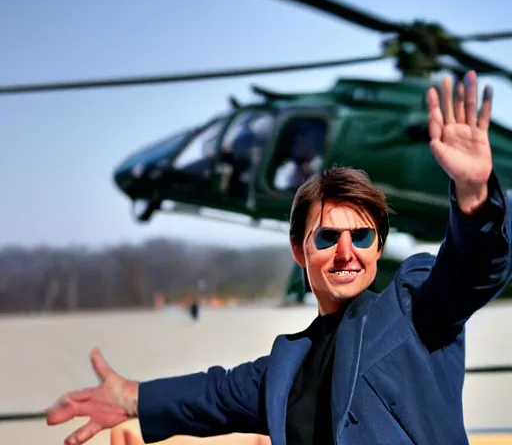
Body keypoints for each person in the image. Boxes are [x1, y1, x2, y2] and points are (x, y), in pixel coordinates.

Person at [46, 70, 512, 445]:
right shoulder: (285, 366)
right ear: (299, 249)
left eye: (362, 237)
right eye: (328, 236)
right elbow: (211, 395)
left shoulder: (415, 306)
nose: (346, 252)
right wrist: (129, 397)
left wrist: (472, 193)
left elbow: (472, 271)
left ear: (379, 249)